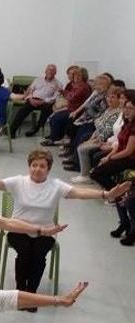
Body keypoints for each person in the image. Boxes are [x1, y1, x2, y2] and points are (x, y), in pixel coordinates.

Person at [0, 149, 129, 297]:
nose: (37, 169)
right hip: (19, 230)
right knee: (25, 252)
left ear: (48, 169)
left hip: (46, 232)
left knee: (38, 254)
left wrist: (105, 194)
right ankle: (21, 292)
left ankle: (31, 293)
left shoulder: (55, 185)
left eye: (42, 166)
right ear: (29, 167)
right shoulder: (18, 182)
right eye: (34, 165)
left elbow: (79, 193)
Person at [90, 96, 135, 241]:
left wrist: (109, 158)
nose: (126, 111)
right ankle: (124, 222)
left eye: (130, 108)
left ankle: (125, 220)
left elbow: (128, 151)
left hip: (129, 161)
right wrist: (109, 155)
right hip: (121, 157)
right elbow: (118, 145)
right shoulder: (126, 123)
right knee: (98, 172)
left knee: (97, 173)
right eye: (125, 108)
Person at [72, 86, 126, 182]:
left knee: (84, 148)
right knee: (83, 141)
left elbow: (107, 130)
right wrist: (93, 137)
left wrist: (101, 138)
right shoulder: (108, 110)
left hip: (107, 139)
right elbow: (99, 126)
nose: (109, 99)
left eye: (113, 97)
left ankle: (86, 175)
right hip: (104, 138)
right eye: (108, 97)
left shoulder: (117, 112)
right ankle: (83, 171)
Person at [61, 74, 112, 171]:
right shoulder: (96, 93)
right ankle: (73, 156)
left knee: (82, 136)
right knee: (73, 129)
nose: (98, 86)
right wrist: (77, 112)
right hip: (86, 118)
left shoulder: (105, 97)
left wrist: (89, 118)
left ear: (107, 85)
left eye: (101, 84)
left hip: (94, 121)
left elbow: (102, 113)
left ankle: (77, 164)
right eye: (97, 83)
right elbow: (86, 103)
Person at [8, 65, 63, 138]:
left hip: (45, 103)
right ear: (45, 71)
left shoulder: (58, 84)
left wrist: (43, 101)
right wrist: (30, 98)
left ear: (55, 72)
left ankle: (36, 128)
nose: (50, 72)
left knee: (48, 108)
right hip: (32, 100)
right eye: (49, 70)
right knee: (22, 110)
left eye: (52, 71)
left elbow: (55, 97)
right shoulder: (38, 79)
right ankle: (12, 130)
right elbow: (30, 90)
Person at [42, 66, 91, 146]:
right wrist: (65, 93)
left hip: (77, 110)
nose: (75, 77)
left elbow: (71, 97)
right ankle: (55, 137)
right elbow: (69, 96)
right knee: (53, 115)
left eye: (78, 76)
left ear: (83, 76)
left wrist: (63, 92)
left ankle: (54, 139)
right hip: (71, 108)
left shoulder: (83, 87)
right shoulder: (77, 85)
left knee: (57, 117)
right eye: (74, 75)